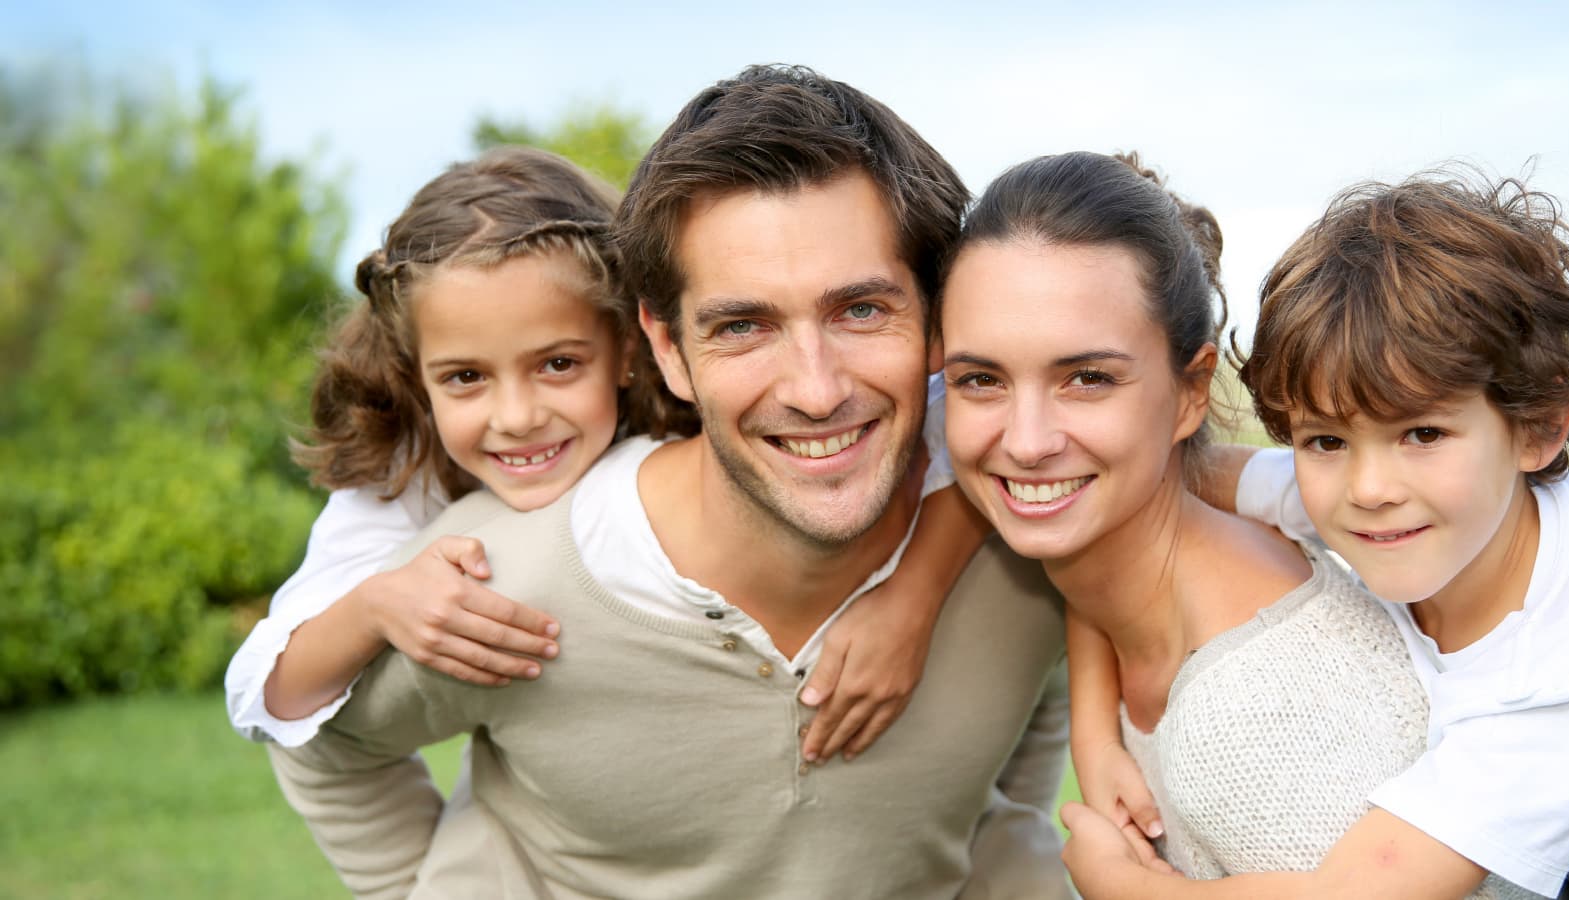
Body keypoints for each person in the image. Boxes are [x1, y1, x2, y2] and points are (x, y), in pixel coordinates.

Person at [266, 65, 1071, 899]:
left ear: (941, 317)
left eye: (860, 310)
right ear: (665, 347)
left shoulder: (1034, 539)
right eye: (742, 325)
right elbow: (320, 744)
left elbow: (1039, 687)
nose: (816, 388)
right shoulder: (491, 586)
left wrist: (1001, 853)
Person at [1060, 170, 1569, 898]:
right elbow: (1129, 495)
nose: (1370, 489)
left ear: (1541, 427)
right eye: (1325, 440)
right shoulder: (1386, 503)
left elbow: (1358, 894)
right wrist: (1095, 733)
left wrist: (1124, 886)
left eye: (1423, 434)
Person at [224, 146, 984, 767]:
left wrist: (909, 600)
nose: (517, 418)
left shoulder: (712, 397)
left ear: (629, 348)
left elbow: (959, 421)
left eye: (558, 364)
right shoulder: (405, 473)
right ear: (415, 373)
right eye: (465, 377)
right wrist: (376, 604)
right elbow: (268, 694)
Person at [937, 151, 1504, 892]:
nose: (1026, 441)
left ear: (1190, 392)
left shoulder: (1255, 721)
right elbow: (1097, 591)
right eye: (981, 380)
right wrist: (1093, 726)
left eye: (1087, 379)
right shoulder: (1157, 576)